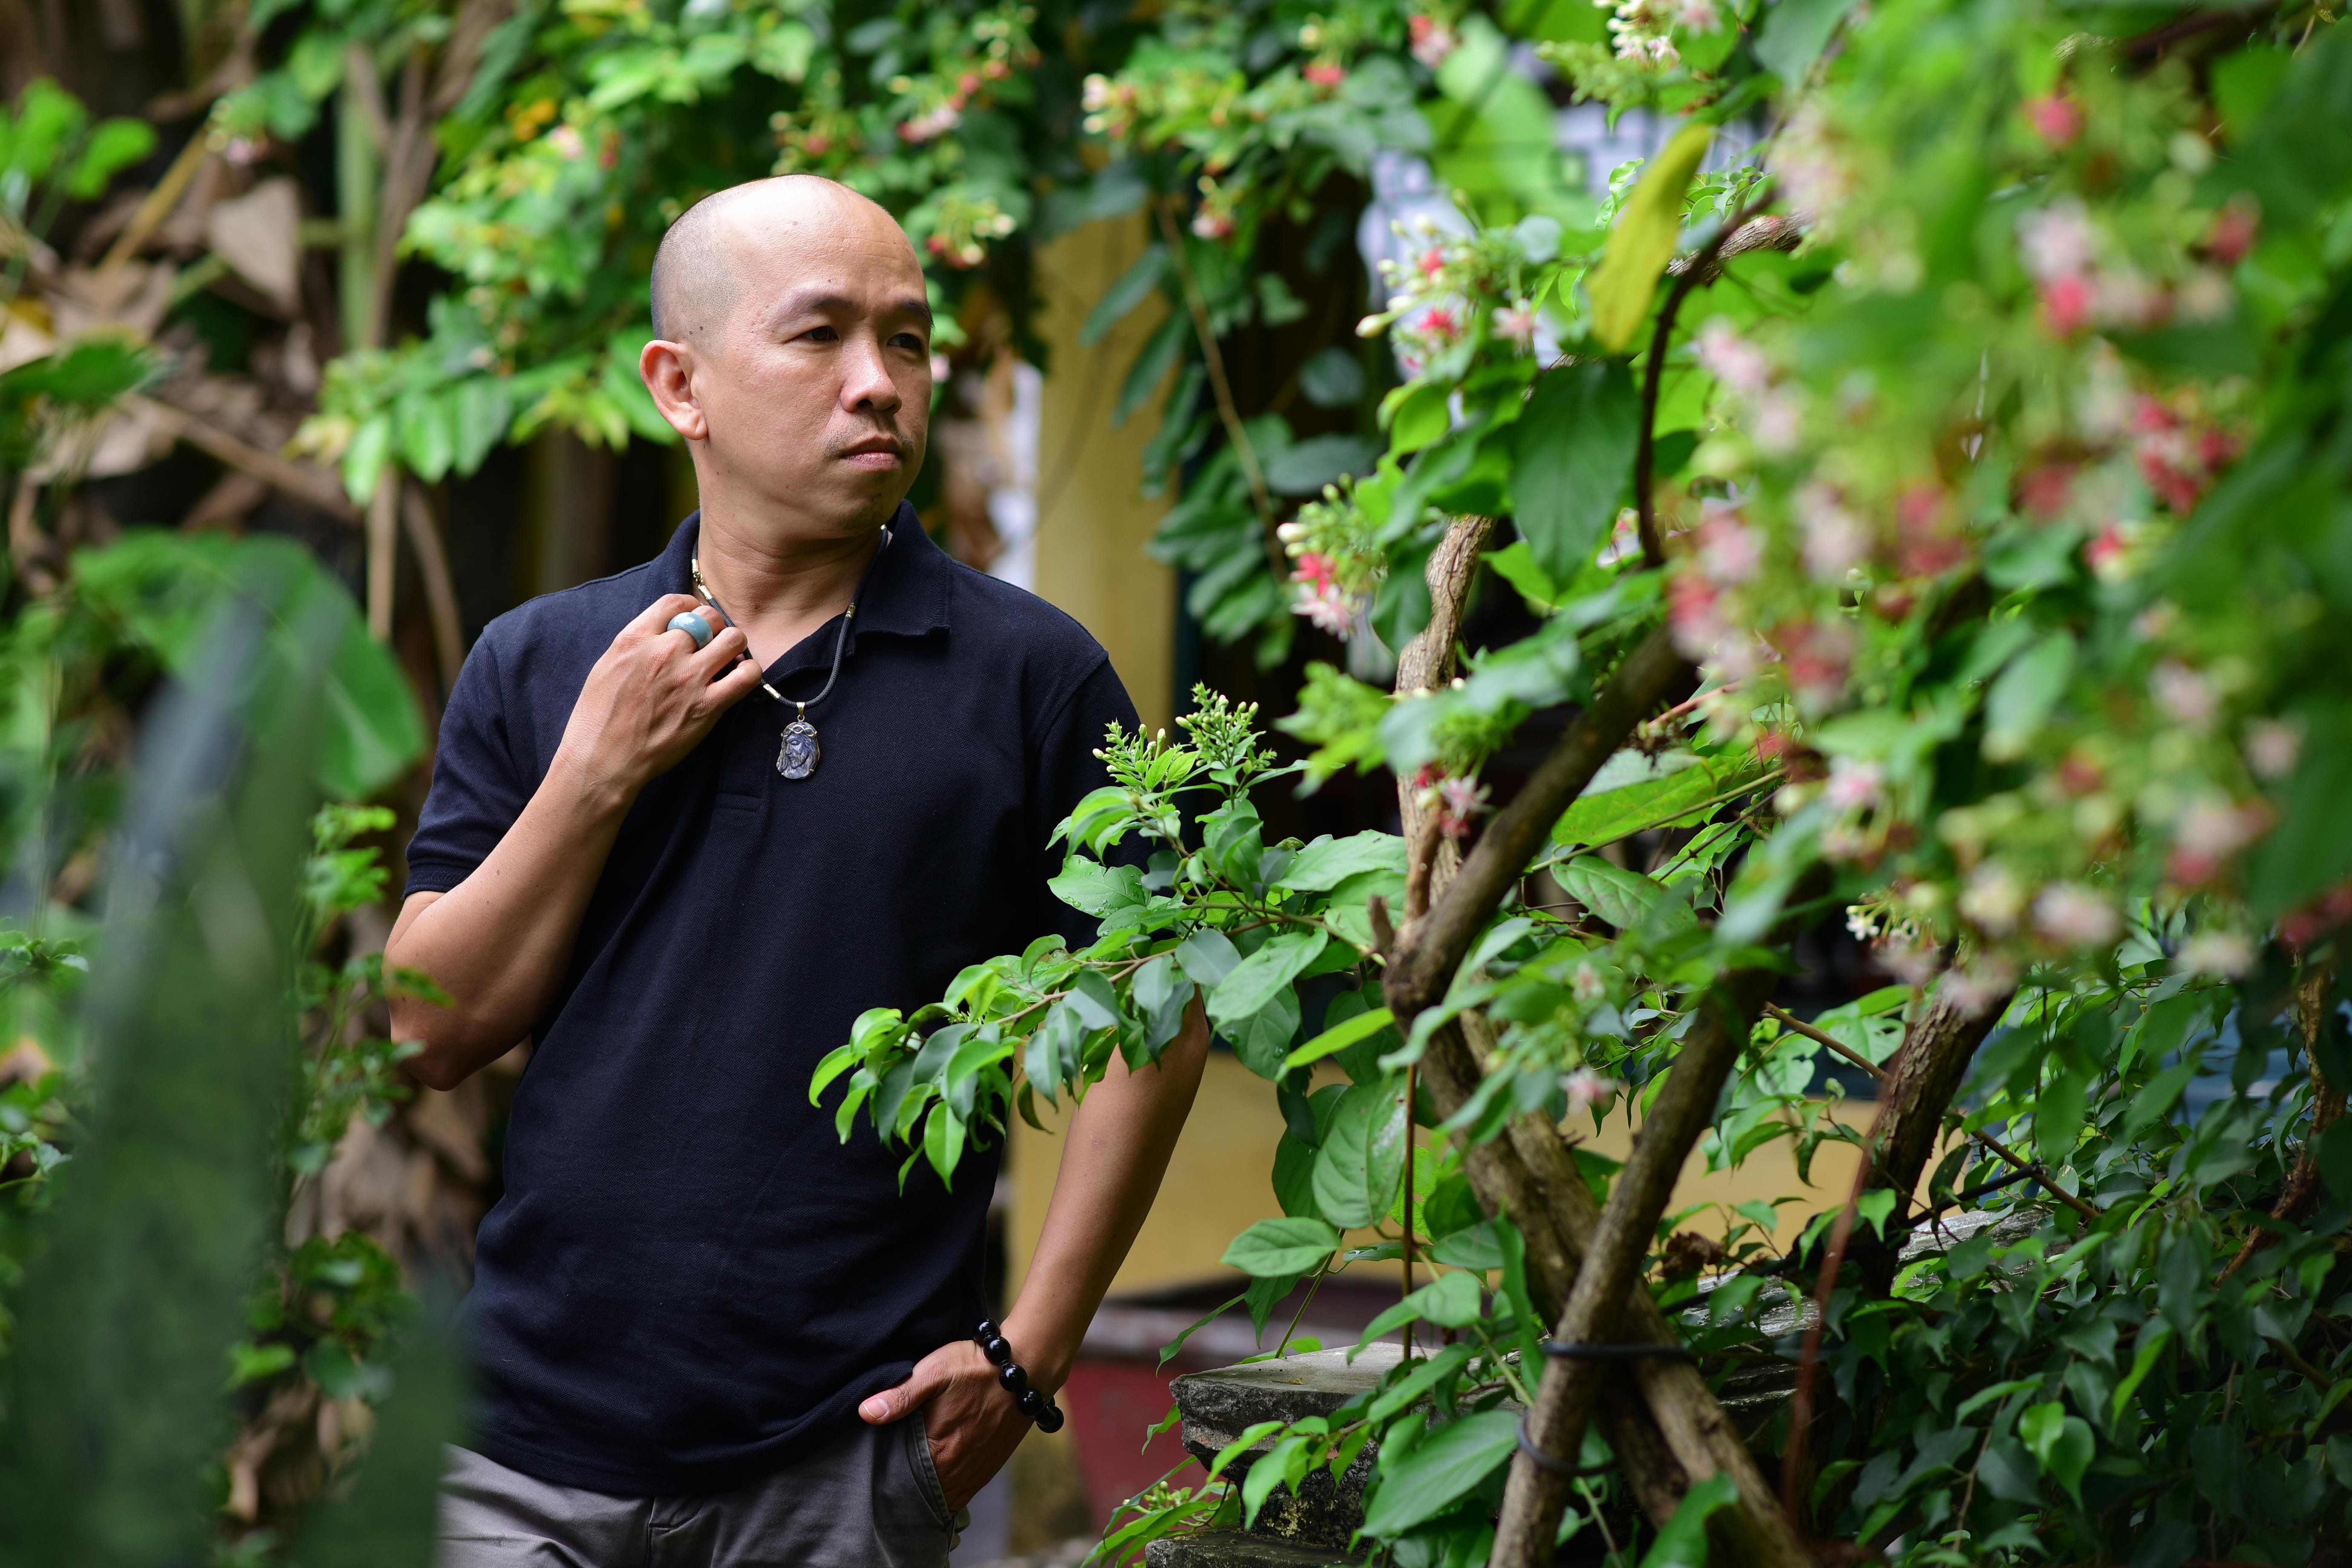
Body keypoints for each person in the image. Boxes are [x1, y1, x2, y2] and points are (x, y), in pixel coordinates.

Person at [386, 174, 1208, 1567]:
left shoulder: (1029, 677)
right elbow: (429, 1028)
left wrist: (1032, 1354)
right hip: (518, 1450)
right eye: (820, 335)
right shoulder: (543, 660)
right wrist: (596, 771)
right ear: (681, 385)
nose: (878, 384)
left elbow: (1164, 1008)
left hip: (848, 1455)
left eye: (910, 340)